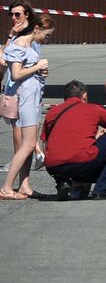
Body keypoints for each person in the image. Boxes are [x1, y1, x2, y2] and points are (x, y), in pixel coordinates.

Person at [43, 79, 106, 200]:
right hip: (82, 164)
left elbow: (45, 142)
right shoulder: (93, 109)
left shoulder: (52, 112)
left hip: (54, 167)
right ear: (85, 96)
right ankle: (101, 189)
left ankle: (63, 182)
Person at [1, 11, 51, 199]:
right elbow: (16, 74)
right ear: (37, 29)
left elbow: (26, 72)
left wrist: (40, 73)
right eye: (46, 35)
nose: (46, 39)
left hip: (33, 96)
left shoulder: (30, 45)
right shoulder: (20, 44)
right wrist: (37, 67)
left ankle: (23, 185)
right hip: (27, 99)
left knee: (28, 145)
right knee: (29, 144)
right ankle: (7, 187)